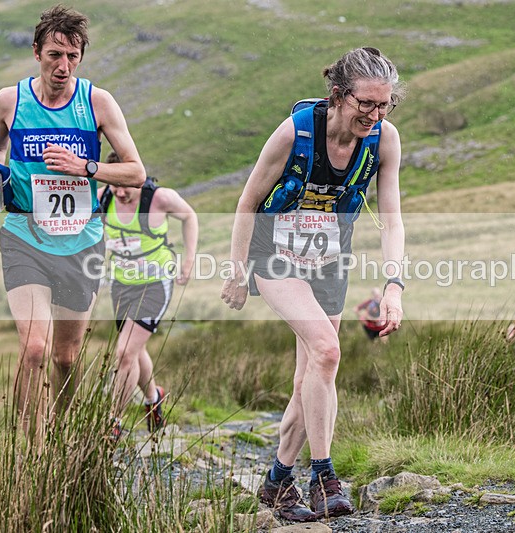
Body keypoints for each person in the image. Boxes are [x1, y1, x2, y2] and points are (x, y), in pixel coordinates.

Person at [220, 47, 405, 522]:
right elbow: (247, 201)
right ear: (338, 95)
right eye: (366, 104)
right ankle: (323, 477)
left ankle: (277, 482)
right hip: (275, 257)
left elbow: (392, 219)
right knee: (327, 350)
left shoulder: (384, 141)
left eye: (384, 105)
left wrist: (393, 286)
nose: (375, 114)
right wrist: (237, 271)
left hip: (329, 263)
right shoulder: (294, 133)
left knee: (310, 377)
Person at [0, 5, 145, 441]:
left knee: (65, 358)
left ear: (81, 56)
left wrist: (85, 166)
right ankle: (31, 453)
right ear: (36, 52)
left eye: (72, 56)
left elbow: (136, 172)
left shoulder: (97, 103)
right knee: (34, 349)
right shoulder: (10, 101)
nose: (63, 66)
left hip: (81, 241)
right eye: (54, 55)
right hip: (24, 234)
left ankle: (61, 441)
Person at [99, 151, 198, 438]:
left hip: (155, 284)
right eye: (114, 185)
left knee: (124, 352)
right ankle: (154, 399)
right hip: (120, 284)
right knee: (135, 350)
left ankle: (112, 424)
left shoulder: (159, 198)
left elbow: (189, 216)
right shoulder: (106, 196)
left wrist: (189, 260)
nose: (119, 192)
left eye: (125, 186)